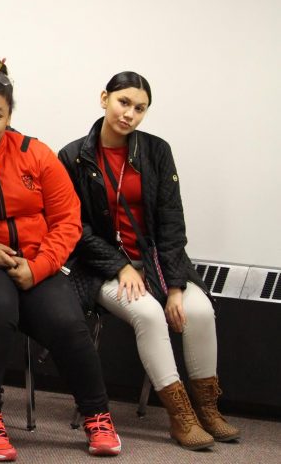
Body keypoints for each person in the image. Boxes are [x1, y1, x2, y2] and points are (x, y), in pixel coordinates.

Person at [59, 71, 239, 451]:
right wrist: (119, 265)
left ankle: (207, 407)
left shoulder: (156, 151)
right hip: (104, 269)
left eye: (140, 109)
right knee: (149, 315)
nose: (130, 114)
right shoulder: (73, 156)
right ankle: (180, 415)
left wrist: (175, 287)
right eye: (123, 102)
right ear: (104, 97)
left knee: (200, 311)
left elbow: (173, 222)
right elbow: (75, 227)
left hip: (158, 265)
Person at [0, 63, 122, 460]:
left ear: (9, 117)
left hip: (39, 263)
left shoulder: (36, 153)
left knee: (68, 322)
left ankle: (97, 415)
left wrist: (40, 266)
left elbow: (68, 220)